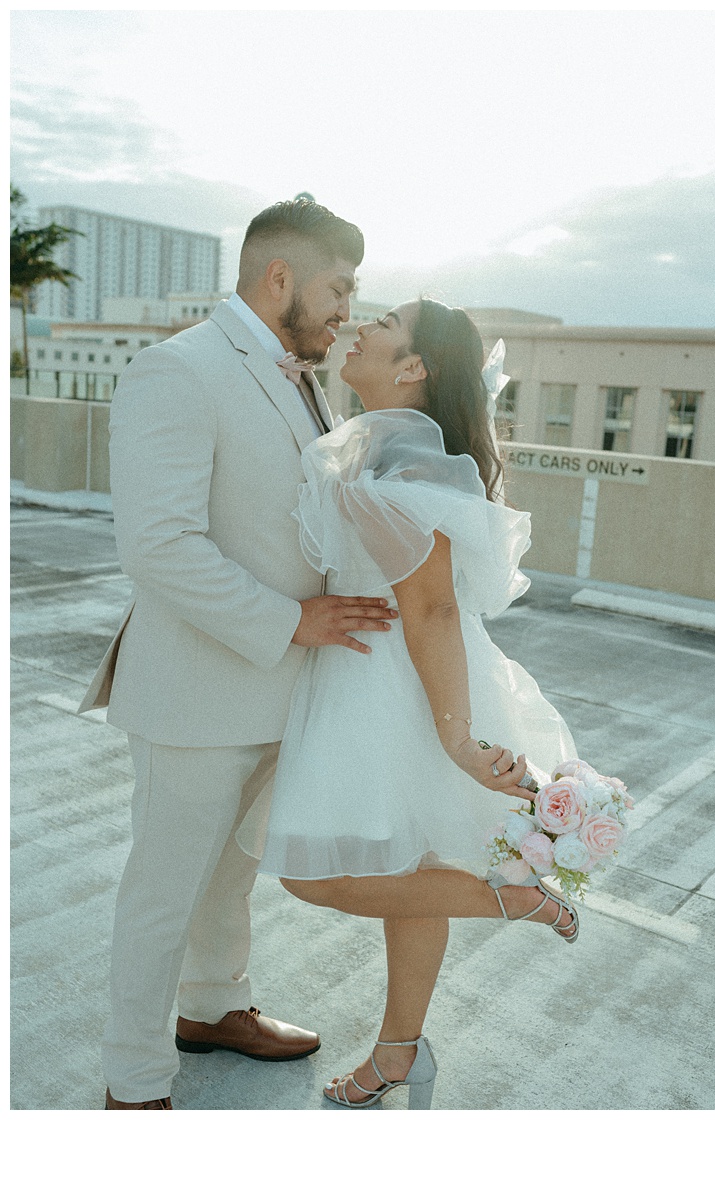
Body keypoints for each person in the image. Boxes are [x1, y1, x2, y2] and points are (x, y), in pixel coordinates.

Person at [78, 199, 400, 1110]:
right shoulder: (176, 371)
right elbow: (159, 545)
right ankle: (133, 1082)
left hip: (281, 692)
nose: (346, 309)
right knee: (164, 892)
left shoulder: (304, 377)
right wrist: (293, 623)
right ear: (281, 278)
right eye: (340, 287)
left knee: (231, 875)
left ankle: (214, 1009)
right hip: (196, 692)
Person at [236, 298, 581, 1110]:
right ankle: (400, 1054)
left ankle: (515, 897)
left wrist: (457, 739)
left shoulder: (404, 459)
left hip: (398, 681)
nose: (360, 325)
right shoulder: (388, 444)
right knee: (414, 868)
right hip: (374, 671)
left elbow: (431, 608)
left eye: (383, 322)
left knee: (312, 877)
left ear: (414, 367)